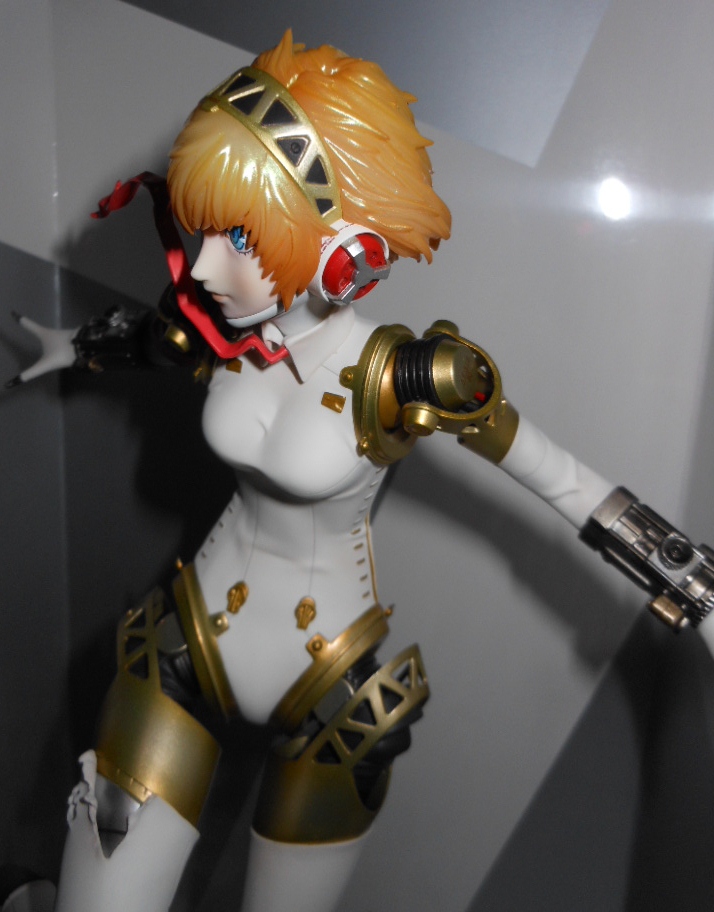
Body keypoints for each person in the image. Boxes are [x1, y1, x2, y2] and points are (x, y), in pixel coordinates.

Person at [4, 28, 713, 912]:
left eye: (239, 234)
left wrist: (690, 577)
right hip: (187, 643)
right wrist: (74, 344)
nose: (205, 263)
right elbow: (160, 339)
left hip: (335, 697)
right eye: (204, 224)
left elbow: (555, 474)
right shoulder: (225, 326)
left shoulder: (406, 375)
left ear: (348, 254)